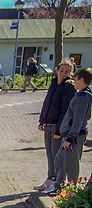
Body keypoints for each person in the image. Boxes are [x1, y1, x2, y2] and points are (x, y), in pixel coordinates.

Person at [46, 67, 92, 194]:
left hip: (73, 137)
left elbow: (78, 119)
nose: (73, 82)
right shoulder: (79, 95)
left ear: (82, 80)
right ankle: (59, 186)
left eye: (75, 79)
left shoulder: (83, 97)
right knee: (59, 160)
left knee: (71, 165)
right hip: (68, 135)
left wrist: (71, 138)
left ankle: (72, 191)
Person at [35, 59, 75, 191]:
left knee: (56, 154)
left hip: (57, 126)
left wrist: (59, 130)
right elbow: (47, 103)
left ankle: (57, 180)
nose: (64, 73)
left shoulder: (68, 87)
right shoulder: (53, 84)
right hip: (48, 123)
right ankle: (50, 177)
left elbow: (64, 110)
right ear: (57, 70)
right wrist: (42, 120)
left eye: (67, 71)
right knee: (49, 153)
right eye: (62, 70)